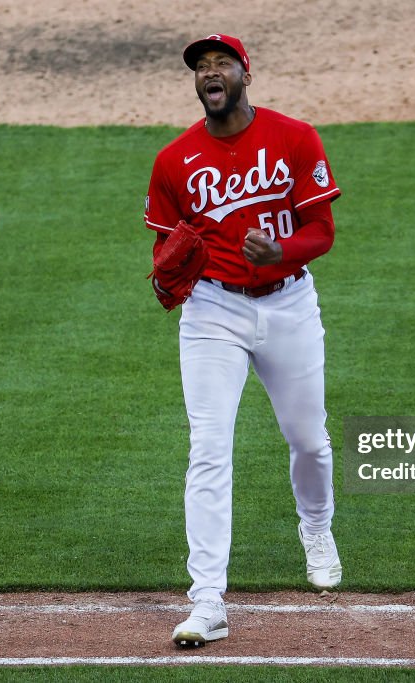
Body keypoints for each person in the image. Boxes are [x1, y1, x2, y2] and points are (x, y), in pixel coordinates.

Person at [144, 34, 343, 647]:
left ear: (244, 74)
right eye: (201, 67)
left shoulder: (294, 138)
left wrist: (281, 250)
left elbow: (323, 230)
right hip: (212, 312)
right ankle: (207, 601)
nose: (210, 73)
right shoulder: (174, 161)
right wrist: (170, 269)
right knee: (208, 448)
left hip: (288, 303)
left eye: (220, 63)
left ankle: (316, 527)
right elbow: (163, 251)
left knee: (308, 440)